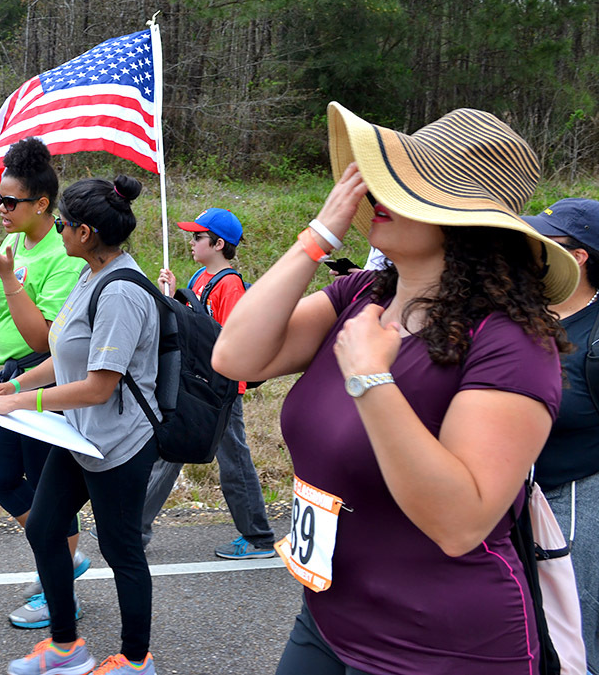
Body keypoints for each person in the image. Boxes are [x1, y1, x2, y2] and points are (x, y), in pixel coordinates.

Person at [211, 102, 581, 674]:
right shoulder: (360, 294)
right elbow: (235, 356)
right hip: (328, 616)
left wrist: (372, 381)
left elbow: (459, 523)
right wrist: (317, 236)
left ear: (464, 217)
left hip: (442, 646)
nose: (378, 192)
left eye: (409, 185)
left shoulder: (512, 343)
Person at [0, 172, 160, 675]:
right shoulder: (90, 275)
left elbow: (99, 386)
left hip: (121, 443)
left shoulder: (122, 292)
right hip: (82, 435)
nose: (56, 230)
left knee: (121, 550)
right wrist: (14, 386)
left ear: (85, 233)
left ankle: (136, 660)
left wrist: (25, 402)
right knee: (43, 527)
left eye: (62, 223)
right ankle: (65, 648)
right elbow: (66, 355)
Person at [0, 137, 90, 628]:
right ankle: (63, 558)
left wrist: (10, 279)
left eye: (10, 201)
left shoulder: (65, 254)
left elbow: (46, 338)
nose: (1, 209)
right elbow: (0, 316)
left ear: (42, 203)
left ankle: (58, 584)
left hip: (44, 378)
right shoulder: (11, 243)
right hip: (8, 379)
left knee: (47, 487)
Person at [141, 207, 276, 559]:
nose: (191, 241)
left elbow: (231, 339)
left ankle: (259, 537)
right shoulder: (200, 277)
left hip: (221, 390)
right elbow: (192, 328)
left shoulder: (230, 285)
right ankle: (133, 529)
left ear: (218, 244)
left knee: (234, 461)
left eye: (198, 237)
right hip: (197, 385)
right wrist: (171, 296)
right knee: (172, 450)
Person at [523, 198, 599, 674]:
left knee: (574, 637)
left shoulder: (595, 333)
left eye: (540, 243)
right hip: (515, 498)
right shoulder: (519, 313)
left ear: (577, 257)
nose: (526, 249)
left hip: (575, 499)